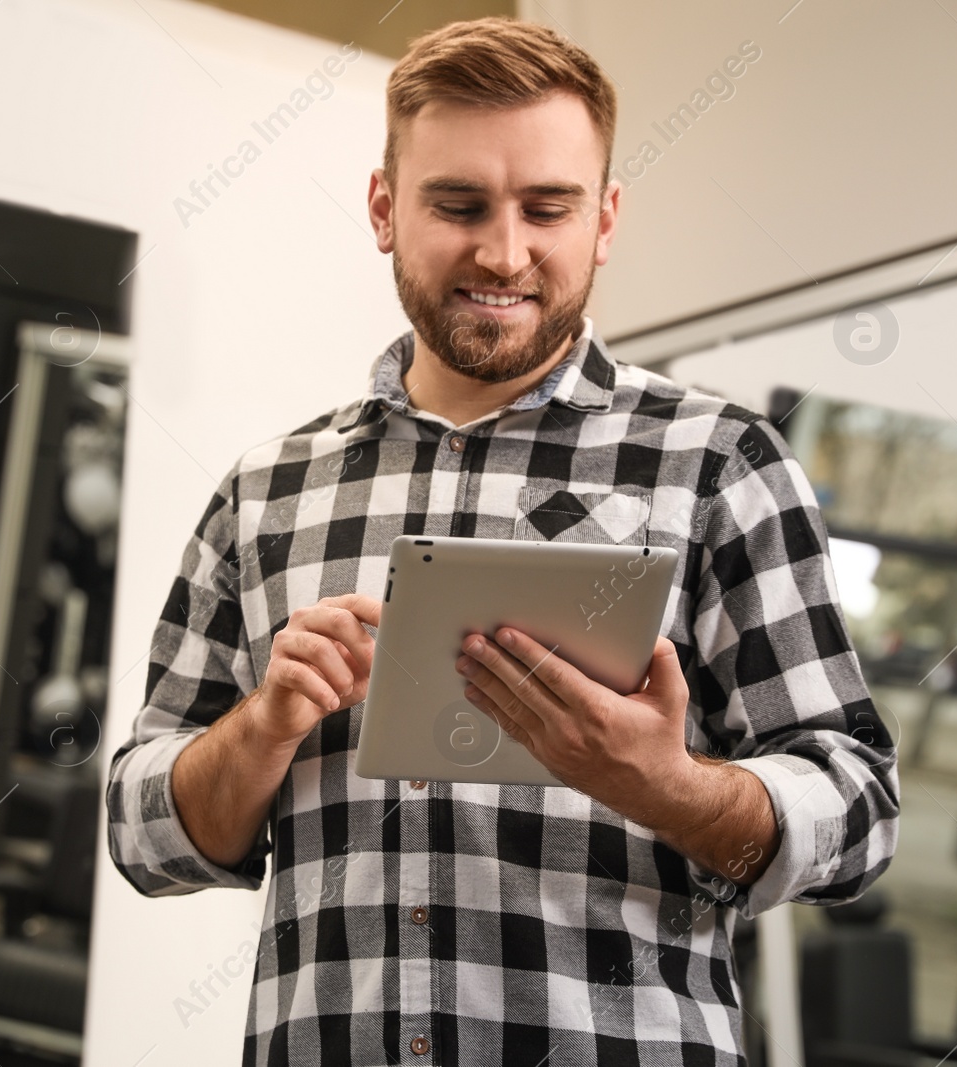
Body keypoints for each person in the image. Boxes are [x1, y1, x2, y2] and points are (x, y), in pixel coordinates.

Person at [105, 16, 899, 1066]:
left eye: (548, 207)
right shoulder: (267, 493)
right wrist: (261, 725)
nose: (505, 251)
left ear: (605, 217)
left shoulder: (719, 464)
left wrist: (666, 784)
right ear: (385, 207)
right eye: (459, 203)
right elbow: (141, 833)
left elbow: (860, 810)